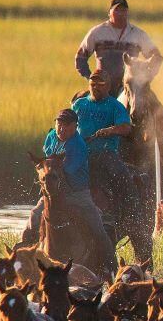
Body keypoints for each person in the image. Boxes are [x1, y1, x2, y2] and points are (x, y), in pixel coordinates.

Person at [23, 109, 117, 274]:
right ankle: (23, 252)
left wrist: (47, 165)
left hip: (77, 194)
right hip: (53, 191)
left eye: (66, 125)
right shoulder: (51, 136)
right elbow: (48, 158)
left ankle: (111, 266)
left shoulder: (78, 145)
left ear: (75, 127)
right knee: (35, 215)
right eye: (59, 124)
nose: (61, 128)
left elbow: (66, 170)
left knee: (98, 227)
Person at [72, 67, 150, 262]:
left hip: (106, 155)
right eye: (93, 84)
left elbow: (126, 128)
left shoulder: (115, 106)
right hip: (83, 155)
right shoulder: (80, 105)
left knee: (123, 179)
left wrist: (110, 130)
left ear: (108, 87)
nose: (96, 88)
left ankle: (133, 216)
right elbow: (68, 125)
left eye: (100, 85)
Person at [75, 0, 162, 98]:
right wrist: (92, 78)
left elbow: (156, 57)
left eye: (123, 10)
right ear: (109, 13)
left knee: (157, 111)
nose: (120, 13)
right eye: (117, 10)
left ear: (127, 13)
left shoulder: (138, 34)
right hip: (102, 88)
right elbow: (80, 58)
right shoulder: (98, 32)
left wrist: (146, 78)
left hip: (129, 87)